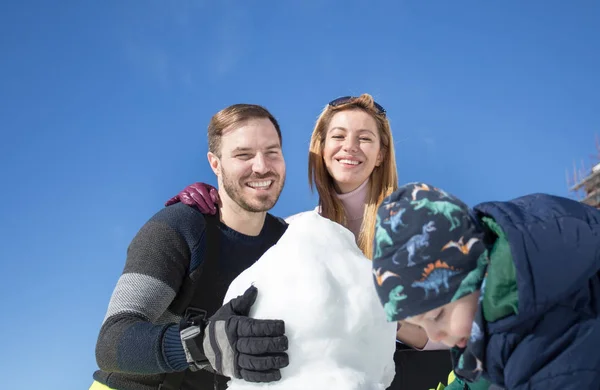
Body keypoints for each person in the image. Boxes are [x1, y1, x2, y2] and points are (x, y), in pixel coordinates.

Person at [166, 94, 453, 389]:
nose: (350, 147)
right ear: (321, 147)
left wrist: (378, 314)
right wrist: (220, 212)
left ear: (381, 153)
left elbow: (450, 333)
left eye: (364, 138)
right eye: (338, 136)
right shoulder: (298, 233)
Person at [90, 104, 291, 390]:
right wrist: (202, 344)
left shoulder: (288, 241)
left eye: (272, 152)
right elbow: (111, 343)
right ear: (215, 164)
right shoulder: (180, 227)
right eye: (243, 155)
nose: (261, 166)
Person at [372, 182, 600, 389]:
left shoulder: (543, 341)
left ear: (472, 272)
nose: (436, 336)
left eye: (437, 315)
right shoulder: (500, 321)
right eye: (421, 326)